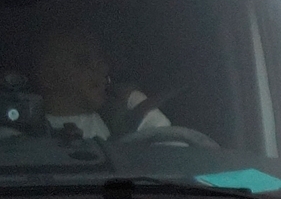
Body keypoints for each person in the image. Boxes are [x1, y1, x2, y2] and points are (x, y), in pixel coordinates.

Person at [14, 28, 171, 140]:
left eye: (100, 60)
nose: (103, 68)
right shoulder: (21, 127)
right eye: (83, 61)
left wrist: (135, 101)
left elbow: (173, 147)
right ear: (48, 77)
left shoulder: (117, 117)